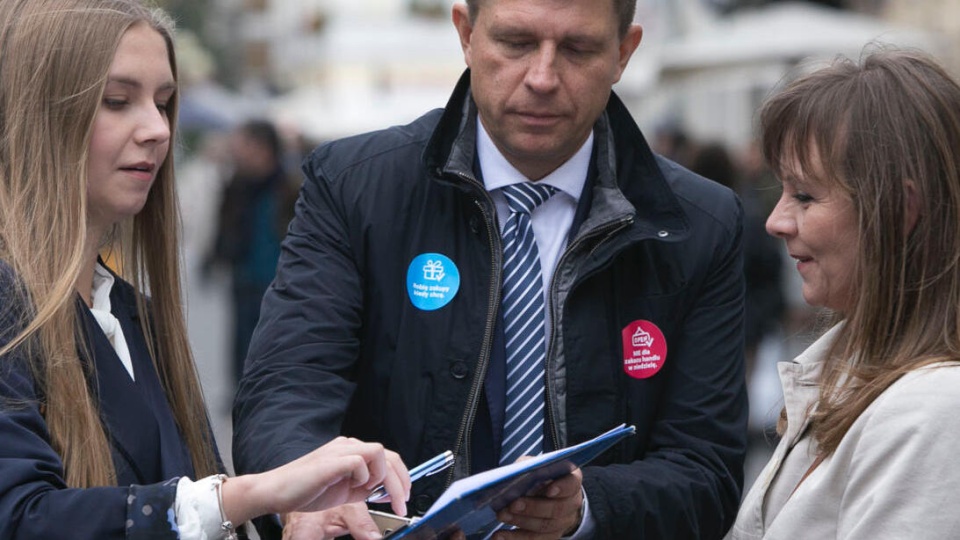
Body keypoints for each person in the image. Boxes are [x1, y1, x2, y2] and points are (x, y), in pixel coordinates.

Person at [232, 0, 748, 538]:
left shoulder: (699, 226)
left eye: (577, 48)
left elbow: (706, 469)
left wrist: (588, 507)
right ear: (466, 33)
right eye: (517, 43)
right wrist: (305, 496)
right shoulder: (355, 188)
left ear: (624, 53)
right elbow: (284, 388)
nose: (543, 77)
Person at [0, 1, 410, 539]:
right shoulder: (13, 301)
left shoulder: (133, 312)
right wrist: (250, 493)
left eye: (165, 103)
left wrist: (304, 523)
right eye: (117, 101)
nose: (158, 129)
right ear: (37, 114)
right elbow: (21, 518)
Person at [726, 48, 960, 539]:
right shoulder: (857, 365)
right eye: (781, 190)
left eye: (805, 195)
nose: (777, 221)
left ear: (900, 209)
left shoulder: (935, 407)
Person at [205, 119, 299, 384]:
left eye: (243, 144)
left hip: (280, 285)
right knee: (241, 349)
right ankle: (242, 400)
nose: (235, 151)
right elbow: (224, 224)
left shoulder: (290, 187)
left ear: (263, 148)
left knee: (276, 351)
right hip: (244, 280)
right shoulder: (236, 184)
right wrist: (216, 256)